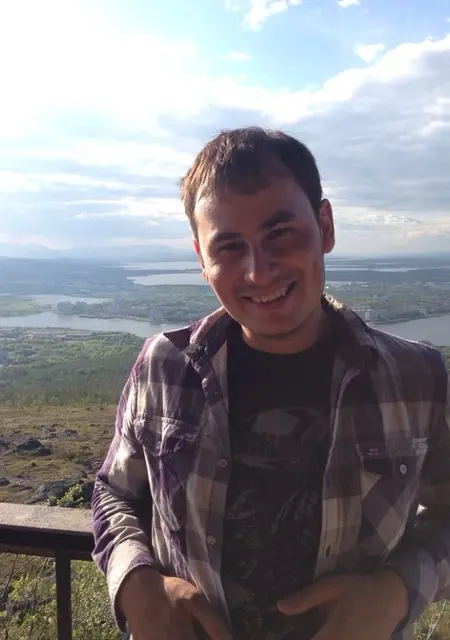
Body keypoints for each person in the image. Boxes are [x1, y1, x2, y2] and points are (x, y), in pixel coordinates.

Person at [91, 127, 450, 640]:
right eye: (229, 247)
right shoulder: (164, 368)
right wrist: (139, 586)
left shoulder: (416, 380)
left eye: (280, 233)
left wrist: (395, 591)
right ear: (201, 258)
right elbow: (114, 492)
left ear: (325, 226)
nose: (259, 272)